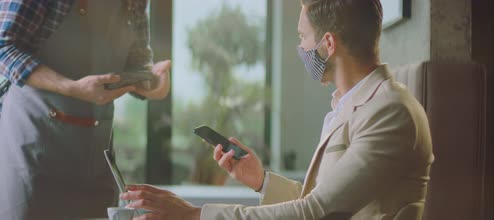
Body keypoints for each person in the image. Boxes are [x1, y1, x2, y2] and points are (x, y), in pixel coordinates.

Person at [120, 0, 434, 219]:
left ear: (328, 43)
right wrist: (261, 181)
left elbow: (317, 213)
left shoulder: (389, 112)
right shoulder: (349, 105)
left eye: (303, 37)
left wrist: (194, 215)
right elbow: (320, 202)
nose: (301, 49)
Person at [0, 0, 171, 219]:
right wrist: (70, 87)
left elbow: (137, 65)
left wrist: (155, 84)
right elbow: (0, 47)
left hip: (96, 152)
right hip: (33, 144)